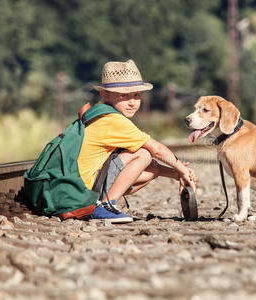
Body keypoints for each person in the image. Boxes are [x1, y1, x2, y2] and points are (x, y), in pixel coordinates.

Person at [77, 59, 196, 223]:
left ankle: (101, 203)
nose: (132, 102)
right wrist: (182, 168)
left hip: (82, 184)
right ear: (105, 95)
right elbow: (157, 150)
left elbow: (154, 166)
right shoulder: (113, 120)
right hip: (83, 186)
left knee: (153, 168)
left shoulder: (100, 112)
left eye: (136, 95)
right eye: (124, 96)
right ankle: (104, 206)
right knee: (144, 154)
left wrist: (177, 174)